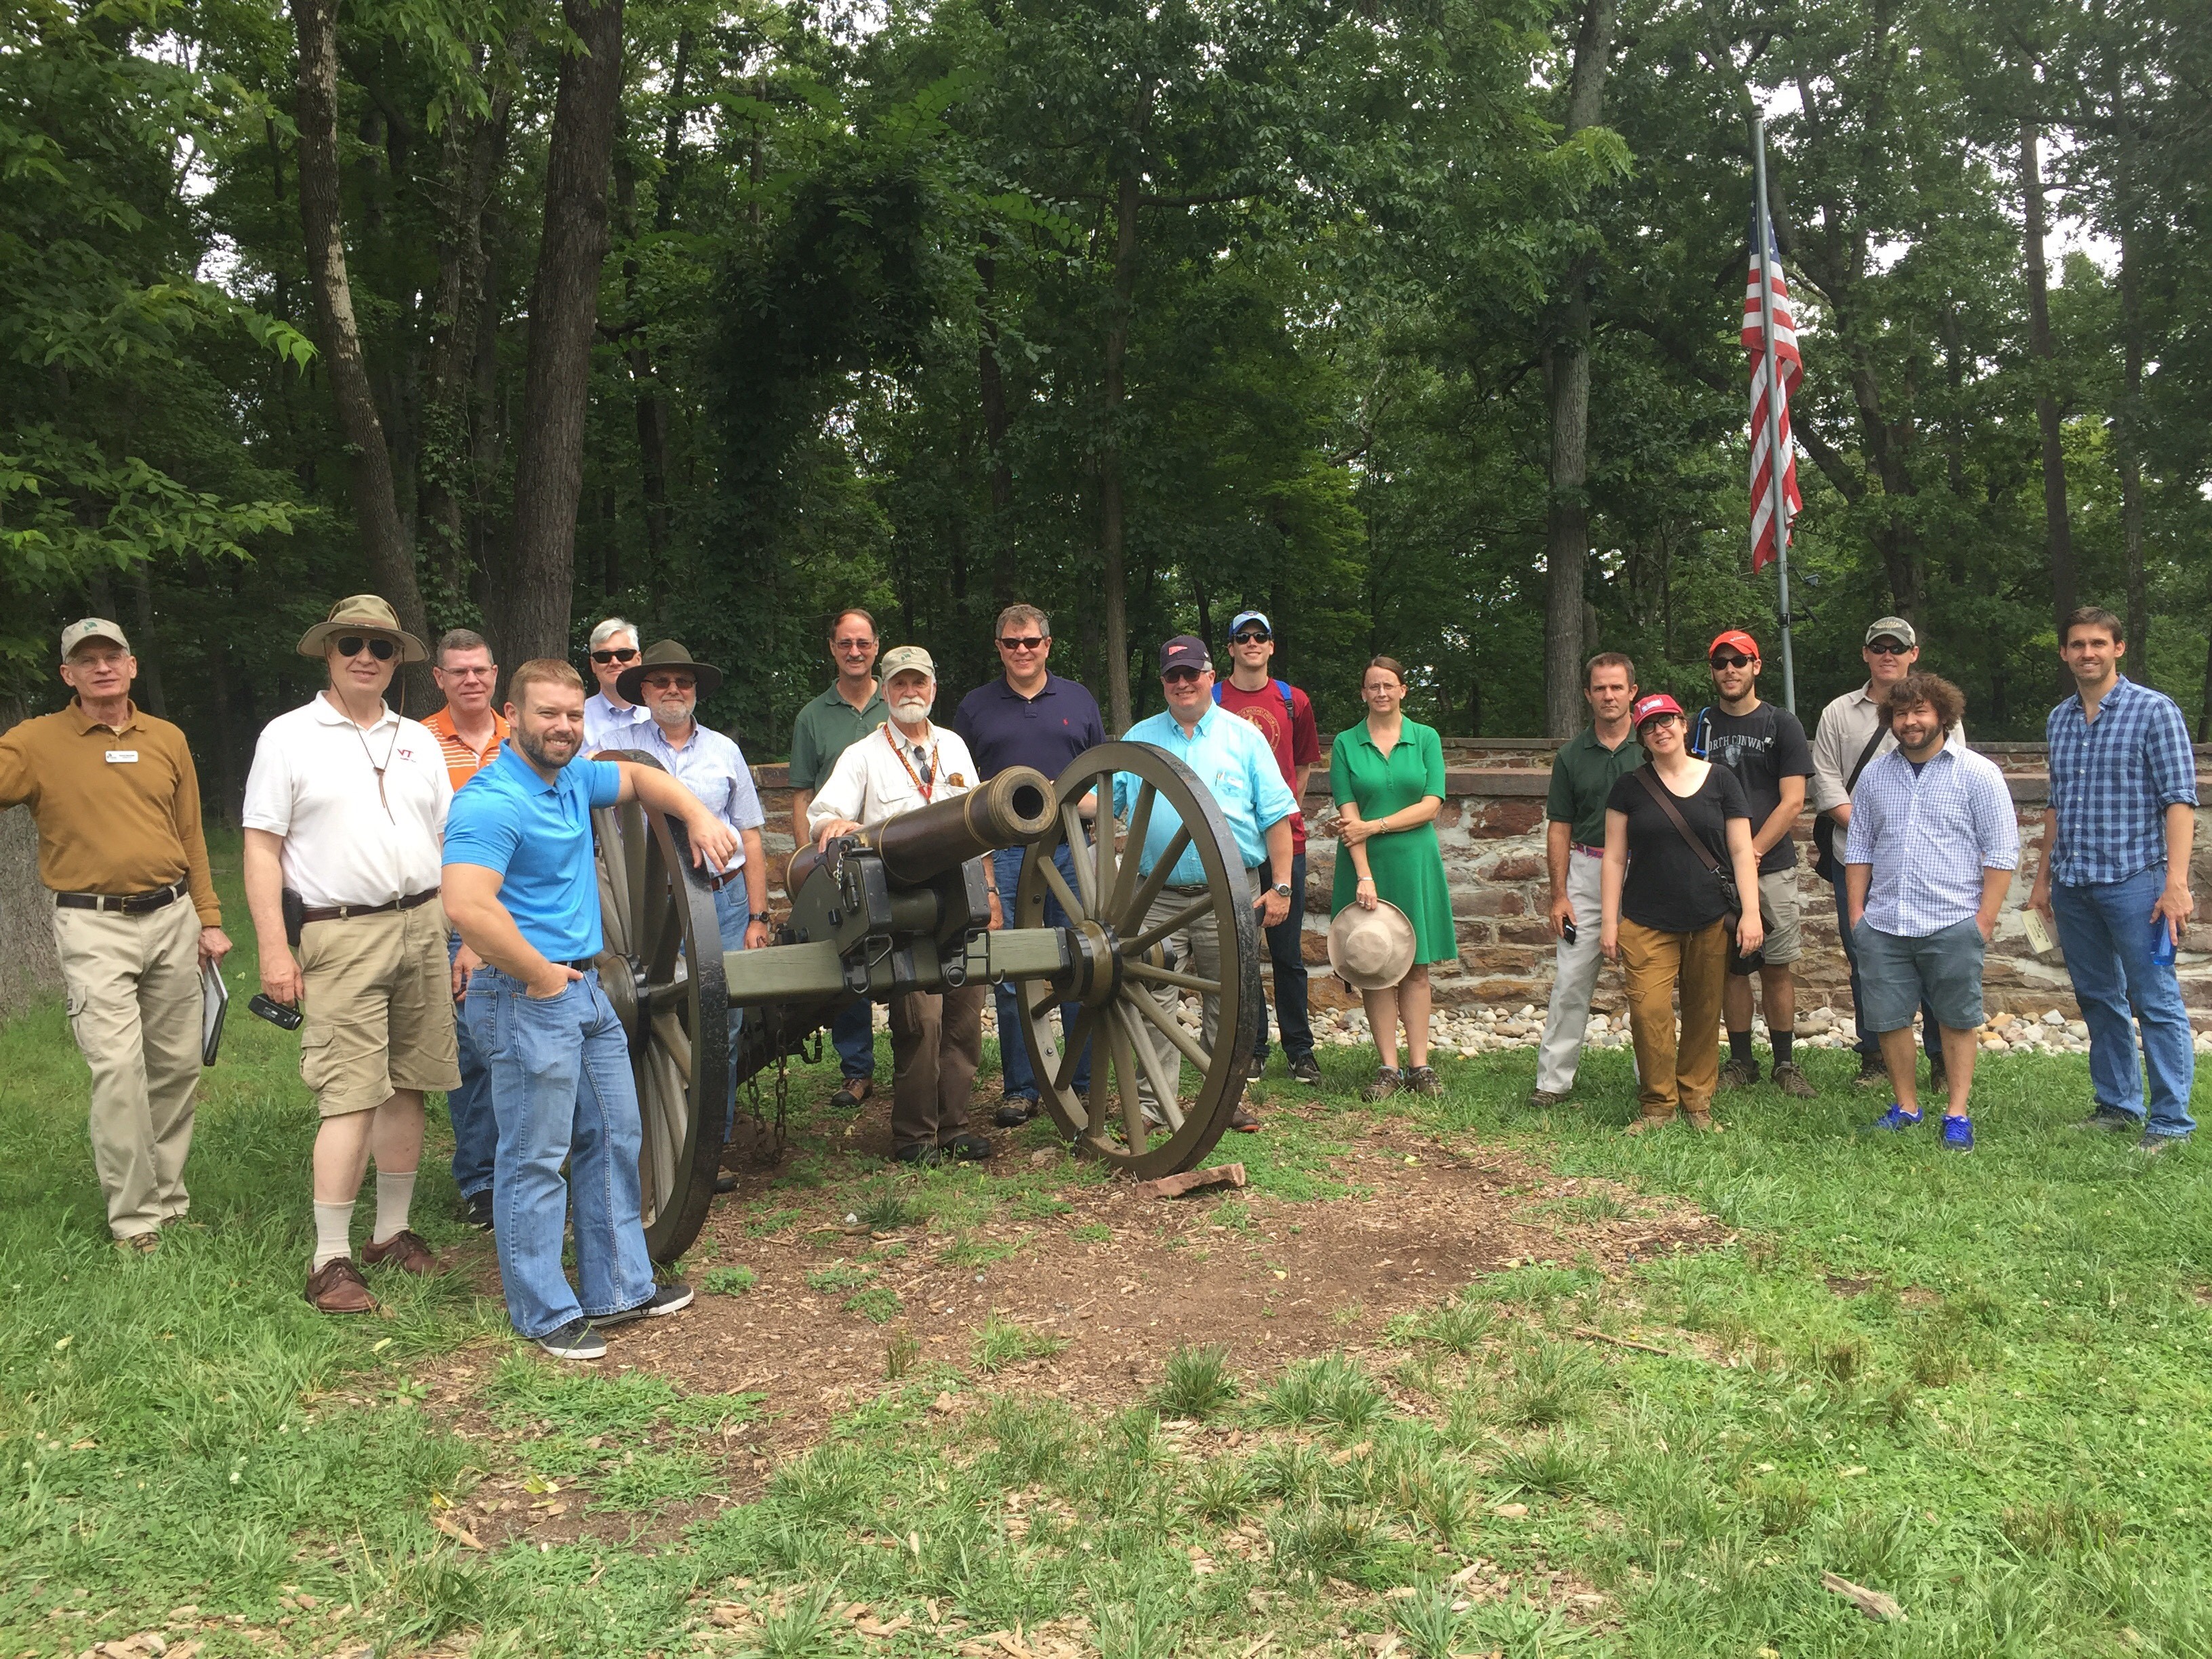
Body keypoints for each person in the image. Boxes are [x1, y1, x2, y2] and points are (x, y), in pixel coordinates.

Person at [443, 659, 735, 1359]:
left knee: (614, 1135)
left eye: (574, 715)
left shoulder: (572, 776)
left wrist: (695, 810)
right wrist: (542, 977)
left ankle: (621, 1288)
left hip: (587, 990)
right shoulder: (491, 800)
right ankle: (543, 1311)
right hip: (524, 993)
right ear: (513, 716)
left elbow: (637, 777)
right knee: (536, 1158)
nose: (564, 728)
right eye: (547, 714)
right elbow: (465, 906)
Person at [243, 595, 460, 1313]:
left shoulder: (418, 740)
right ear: (329, 654)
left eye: (382, 647)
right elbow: (261, 848)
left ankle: (391, 1233)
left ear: (399, 660)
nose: (366, 656)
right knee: (349, 1092)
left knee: (408, 1082)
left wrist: (461, 935)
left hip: (423, 924)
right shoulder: (289, 736)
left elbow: (444, 839)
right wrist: (277, 950)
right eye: (351, 645)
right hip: (340, 932)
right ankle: (329, 1259)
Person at [0, 618, 231, 1253]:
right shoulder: (36, 741)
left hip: (172, 916)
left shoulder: (167, 738)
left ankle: (169, 1200)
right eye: (87, 660)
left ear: (131, 666)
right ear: (67, 675)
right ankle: (134, 1221)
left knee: (177, 1068)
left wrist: (208, 919)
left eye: (112, 657)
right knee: (118, 1070)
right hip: (93, 923)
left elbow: (191, 837)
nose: (102, 668)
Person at [811, 647, 994, 1164]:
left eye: (919, 683)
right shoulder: (864, 754)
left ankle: (953, 1128)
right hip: (902, 905)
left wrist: (991, 894)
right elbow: (822, 815)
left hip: (960, 898)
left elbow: (978, 827)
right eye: (899, 684)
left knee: (962, 1018)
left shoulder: (954, 747)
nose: (910, 691)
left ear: (933, 689)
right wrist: (834, 827)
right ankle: (916, 1137)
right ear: (886, 692)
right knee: (922, 1022)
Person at [2030, 607, 2198, 1153]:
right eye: (2077, 644)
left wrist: (2176, 883)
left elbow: (2180, 801)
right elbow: (2056, 805)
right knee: (2099, 997)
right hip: (2074, 884)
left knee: (2155, 999)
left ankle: (2171, 1121)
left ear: (2118, 649)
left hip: (2137, 883)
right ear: (2064, 653)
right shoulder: (2060, 719)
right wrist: (2041, 880)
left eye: (2098, 643)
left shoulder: (2155, 711)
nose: (2088, 653)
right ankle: (2118, 1106)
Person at [1115, 636, 1297, 1132]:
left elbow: (1278, 816)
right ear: (1163, 684)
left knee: (1231, 1000)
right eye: (1173, 676)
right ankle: (1156, 1104)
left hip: (1231, 894)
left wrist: (1281, 886)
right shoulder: (1140, 738)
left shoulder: (1245, 738)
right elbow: (1100, 798)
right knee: (1153, 998)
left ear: (1210, 677)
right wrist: (1050, 799)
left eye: (1191, 674)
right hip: (1156, 897)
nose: (1183, 684)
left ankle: (1223, 1100)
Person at [617, 640, 769, 1183]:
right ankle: (648, 1150)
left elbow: (750, 835)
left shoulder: (725, 750)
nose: (673, 691)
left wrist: (758, 915)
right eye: (661, 683)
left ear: (696, 690)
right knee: (637, 1021)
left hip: (720, 900)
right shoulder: (615, 748)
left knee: (719, 1025)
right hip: (643, 910)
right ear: (645, 693)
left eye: (683, 682)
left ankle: (709, 1147)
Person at [1847, 675, 2019, 1153]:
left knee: (1957, 1018)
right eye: (1901, 714)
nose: (1910, 722)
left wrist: (1982, 922)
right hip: (1885, 922)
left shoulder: (1978, 774)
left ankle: (1957, 1114)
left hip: (1952, 920)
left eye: (1920, 711)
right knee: (1889, 1019)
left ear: (1943, 715)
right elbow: (1859, 847)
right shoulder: (1877, 777)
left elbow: (2002, 853)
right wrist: (1858, 913)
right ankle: (1906, 1107)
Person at [951, 603, 1103, 1126]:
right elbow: (962, 791)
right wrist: (984, 872)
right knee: (1013, 974)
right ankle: (1021, 1087)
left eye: (1032, 642)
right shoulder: (974, 709)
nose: (1023, 650)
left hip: (1068, 852)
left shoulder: (1079, 700)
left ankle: (1080, 1082)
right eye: (1012, 643)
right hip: (1007, 857)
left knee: (1081, 963)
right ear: (999, 648)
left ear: (1048, 645)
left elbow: (1099, 778)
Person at [1811, 617, 1963, 1090]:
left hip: (1926, 863)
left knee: (1935, 958)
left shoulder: (1937, 709)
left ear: (1914, 654)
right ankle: (1875, 1056)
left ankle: (1939, 1058)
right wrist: (1875, 834)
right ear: (1866, 654)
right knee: (1867, 958)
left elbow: (1954, 776)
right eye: (1878, 647)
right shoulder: (1839, 712)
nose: (1888, 655)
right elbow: (1827, 782)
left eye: (1897, 648)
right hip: (1853, 856)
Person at [1599, 693, 1763, 1133]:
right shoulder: (1630, 787)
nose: (1661, 730)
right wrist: (1610, 921)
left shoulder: (1722, 781)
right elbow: (1614, 858)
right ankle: (1657, 1106)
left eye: (1668, 720)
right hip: (1645, 919)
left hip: (1710, 919)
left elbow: (1741, 852)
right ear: (1642, 737)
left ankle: (1696, 1103)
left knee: (1704, 1011)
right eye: (1651, 726)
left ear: (1685, 725)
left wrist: (1751, 913)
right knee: (1648, 1011)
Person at [1692, 630, 1817, 1099]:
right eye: (1721, 662)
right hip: (1716, 871)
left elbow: (1793, 801)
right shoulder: (1699, 725)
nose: (1730, 669)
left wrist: (1753, 853)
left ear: (1757, 666)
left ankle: (1785, 1062)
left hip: (1771, 865)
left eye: (1739, 661)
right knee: (1731, 969)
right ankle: (1741, 1060)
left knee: (1777, 965)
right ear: (1713, 670)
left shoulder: (1781, 724)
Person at [1329, 656, 1454, 1101]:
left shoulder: (1426, 738)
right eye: (1372, 687)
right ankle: (1388, 1068)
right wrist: (1364, 876)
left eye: (1389, 685)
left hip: (1414, 862)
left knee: (1416, 966)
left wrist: (1376, 826)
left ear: (1403, 690)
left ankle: (1420, 1066)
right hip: (1364, 866)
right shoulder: (1346, 743)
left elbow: (1432, 804)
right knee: (1375, 966)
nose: (1381, 693)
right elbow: (1349, 817)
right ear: (1363, 693)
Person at [1214, 609, 1324, 1086]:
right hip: (1232, 843)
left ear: (1272, 646)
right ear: (1232, 648)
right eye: (1244, 637)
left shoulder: (1292, 700)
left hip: (1285, 842)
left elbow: (1302, 765)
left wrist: (1284, 814)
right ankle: (1253, 1047)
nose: (1253, 643)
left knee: (1287, 949)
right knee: (1242, 949)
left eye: (1261, 636)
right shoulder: (1214, 697)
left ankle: (1299, 1049)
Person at [1531, 652, 1644, 1108]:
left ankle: (1655, 1082)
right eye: (1600, 688)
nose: (1609, 696)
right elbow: (1559, 826)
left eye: (1617, 687)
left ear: (1633, 691)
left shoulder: (1653, 743)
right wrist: (1559, 895)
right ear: (1587, 694)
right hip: (1587, 871)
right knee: (1573, 979)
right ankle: (1552, 1082)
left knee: (1648, 982)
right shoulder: (1571, 756)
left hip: (1646, 872)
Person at [424, 628, 508, 1231]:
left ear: (495, 674)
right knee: (472, 1047)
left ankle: (531, 1164)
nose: (470, 680)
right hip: (456, 912)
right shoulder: (419, 743)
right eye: (459, 672)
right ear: (440, 679)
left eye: (479, 670)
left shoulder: (523, 737)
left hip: (524, 909)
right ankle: (481, 1179)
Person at [790, 609, 889, 1112]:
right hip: (837, 856)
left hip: (896, 851)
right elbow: (803, 795)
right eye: (845, 643)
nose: (855, 651)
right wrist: (807, 866)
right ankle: (857, 1070)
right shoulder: (813, 716)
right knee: (848, 956)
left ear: (876, 647)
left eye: (864, 643)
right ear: (832, 648)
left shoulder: (896, 703)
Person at [581, 617, 655, 754]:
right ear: (593, 665)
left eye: (623, 654)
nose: (614, 662)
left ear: (638, 659)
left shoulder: (658, 715)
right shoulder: (577, 718)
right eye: (603, 656)